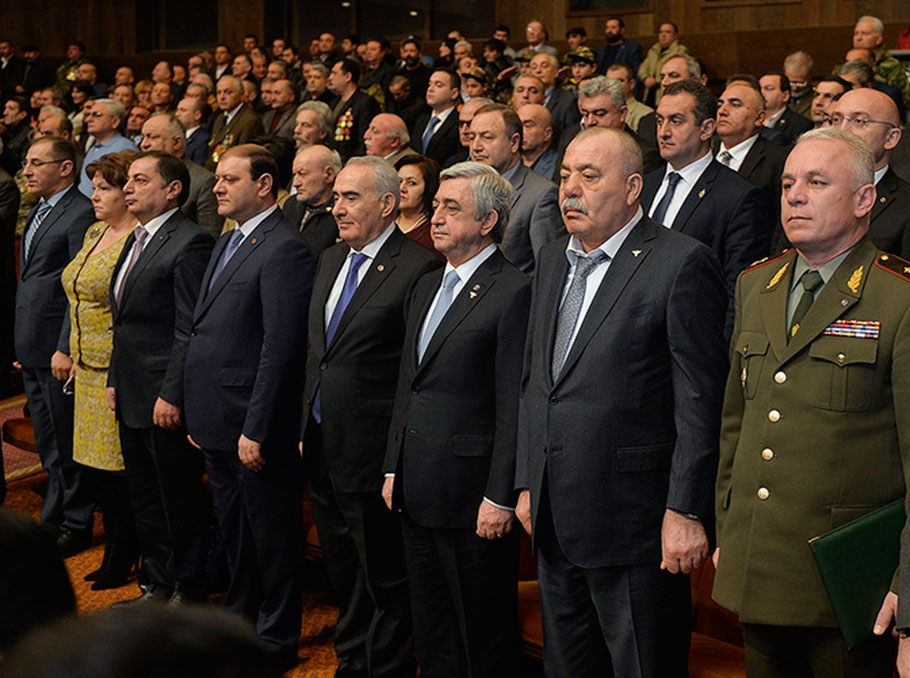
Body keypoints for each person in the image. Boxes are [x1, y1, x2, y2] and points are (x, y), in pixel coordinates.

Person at [515, 126, 727, 677]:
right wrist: (525, 479)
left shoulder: (681, 263)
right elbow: (537, 382)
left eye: (589, 176)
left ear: (634, 187)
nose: (570, 190)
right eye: (564, 176)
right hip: (556, 515)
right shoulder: (553, 261)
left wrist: (685, 510)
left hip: (637, 526)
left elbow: (700, 400)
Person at [713, 126, 910, 678]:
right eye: (788, 183)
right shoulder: (758, 284)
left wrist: (908, 591)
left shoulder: (898, 297)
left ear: (865, 197)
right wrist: (730, 530)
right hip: (760, 570)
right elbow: (737, 422)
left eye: (817, 182)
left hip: (848, 587)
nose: (795, 195)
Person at [382, 161, 529, 676]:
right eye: (437, 205)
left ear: (488, 222)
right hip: (416, 487)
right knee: (433, 627)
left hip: (474, 498)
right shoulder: (425, 284)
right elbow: (410, 382)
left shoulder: (513, 290)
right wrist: (392, 466)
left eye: (451, 208)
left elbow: (514, 403)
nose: (435, 217)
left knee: (482, 633)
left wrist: (500, 494)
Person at [301, 156, 441, 677]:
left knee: (383, 575)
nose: (337, 208)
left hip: (372, 451)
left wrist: (394, 456)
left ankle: (386, 668)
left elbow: (412, 372)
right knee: (343, 570)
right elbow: (317, 354)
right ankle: (352, 658)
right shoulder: (332, 258)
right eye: (336, 197)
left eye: (350, 198)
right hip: (321, 444)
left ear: (388, 203)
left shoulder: (418, 266)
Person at [184, 144, 315, 672]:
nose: (216, 188)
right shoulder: (228, 239)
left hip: (253, 423)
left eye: (229, 179)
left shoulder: (285, 248)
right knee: (236, 532)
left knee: (271, 535)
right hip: (216, 416)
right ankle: (239, 621)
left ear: (264, 185)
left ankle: (277, 636)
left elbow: (279, 348)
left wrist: (256, 426)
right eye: (216, 178)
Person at [107, 151, 214, 605]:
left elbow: (188, 327)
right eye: (128, 180)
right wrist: (114, 378)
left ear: (173, 189)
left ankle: (188, 590)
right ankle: (157, 584)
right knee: (145, 498)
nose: (128, 187)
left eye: (140, 180)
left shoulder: (189, 242)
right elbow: (125, 320)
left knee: (179, 500)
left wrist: (172, 393)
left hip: (164, 398)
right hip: (130, 389)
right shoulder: (137, 237)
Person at [62, 150, 140, 590]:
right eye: (94, 187)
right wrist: (70, 352)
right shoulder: (95, 232)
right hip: (85, 366)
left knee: (120, 472)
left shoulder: (136, 240)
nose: (95, 196)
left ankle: (125, 551)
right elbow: (73, 295)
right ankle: (116, 547)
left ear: (129, 193)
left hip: (115, 368)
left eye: (105, 188)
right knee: (97, 470)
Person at [17, 137, 96, 557]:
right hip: (32, 344)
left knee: (66, 441)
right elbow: (31, 282)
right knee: (49, 441)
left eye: (36, 163)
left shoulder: (80, 212)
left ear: (66, 168)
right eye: (26, 163)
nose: (26, 171)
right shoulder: (37, 211)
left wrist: (64, 345)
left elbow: (75, 291)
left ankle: (77, 522)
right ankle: (54, 518)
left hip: (58, 350)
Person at [641, 80, 769, 337]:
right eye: (659, 121)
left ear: (707, 128)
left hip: (694, 342)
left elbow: (740, 290)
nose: (663, 132)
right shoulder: (645, 185)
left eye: (676, 121)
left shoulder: (738, 196)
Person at [469, 103, 563, 274]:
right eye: (471, 137)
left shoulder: (541, 195)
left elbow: (549, 271)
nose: (476, 146)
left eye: (487, 137)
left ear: (514, 142)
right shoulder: (466, 188)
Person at [830, 88, 910, 259]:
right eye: (836, 120)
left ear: (891, 138)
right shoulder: (805, 191)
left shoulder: (905, 205)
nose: (842, 130)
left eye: (859, 121)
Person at [715, 79, 790, 249]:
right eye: (720, 104)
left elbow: (780, 226)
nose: (722, 111)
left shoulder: (779, 160)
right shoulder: (703, 154)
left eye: (735, 105)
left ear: (759, 117)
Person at [139, 112, 222, 239]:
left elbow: (209, 239)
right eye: (143, 137)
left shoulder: (203, 182)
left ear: (177, 142)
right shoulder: (135, 179)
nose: (144, 144)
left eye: (153, 137)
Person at [283, 144, 341, 260]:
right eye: (295, 175)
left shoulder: (341, 212)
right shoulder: (291, 204)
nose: (296, 183)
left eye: (302, 174)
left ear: (329, 175)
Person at [76, 99, 139, 197]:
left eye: (96, 115)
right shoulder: (93, 147)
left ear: (115, 121)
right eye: (88, 115)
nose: (88, 119)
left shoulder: (125, 148)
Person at [207, 75, 265, 171]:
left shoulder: (250, 120)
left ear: (242, 95)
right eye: (219, 93)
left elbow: (245, 156)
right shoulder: (220, 118)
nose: (222, 97)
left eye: (228, 92)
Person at [327, 58, 380, 161]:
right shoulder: (334, 102)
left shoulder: (365, 102)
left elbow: (364, 139)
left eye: (334, 73)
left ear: (347, 77)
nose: (329, 78)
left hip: (352, 160)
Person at [853, 15, 910, 109]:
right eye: (856, 33)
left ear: (878, 39)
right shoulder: (844, 64)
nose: (858, 38)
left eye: (865, 34)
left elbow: (903, 100)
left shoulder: (892, 65)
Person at [411, 69, 461, 169]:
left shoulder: (459, 122)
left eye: (438, 85)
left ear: (454, 93)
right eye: (430, 84)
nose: (430, 89)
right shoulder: (421, 120)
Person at [395, 154, 440, 253]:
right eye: (399, 181)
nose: (402, 188)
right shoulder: (383, 222)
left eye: (411, 183)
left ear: (428, 188)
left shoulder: (435, 233)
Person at [638, 22, 688, 105]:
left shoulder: (680, 50)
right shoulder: (653, 50)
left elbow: (678, 71)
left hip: (664, 93)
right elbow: (643, 67)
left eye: (668, 32)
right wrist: (645, 78)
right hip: (649, 93)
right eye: (661, 32)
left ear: (675, 35)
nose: (663, 35)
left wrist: (657, 80)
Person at [759, 72, 813, 146]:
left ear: (785, 96)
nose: (761, 93)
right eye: (759, 89)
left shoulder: (801, 124)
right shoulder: (752, 119)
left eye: (769, 89)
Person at [518, 103, 557, 181]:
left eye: (528, 126)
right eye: (518, 125)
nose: (520, 131)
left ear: (547, 134)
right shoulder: (512, 162)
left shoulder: (557, 166)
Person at [175, 97, 212, 166]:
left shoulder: (203, 140)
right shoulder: (176, 136)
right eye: (177, 110)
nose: (177, 114)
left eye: (183, 110)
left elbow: (199, 170)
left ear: (197, 115)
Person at [784, 51, 814, 118]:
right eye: (791, 82)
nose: (795, 88)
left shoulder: (816, 100)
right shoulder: (778, 97)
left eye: (801, 83)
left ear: (810, 77)